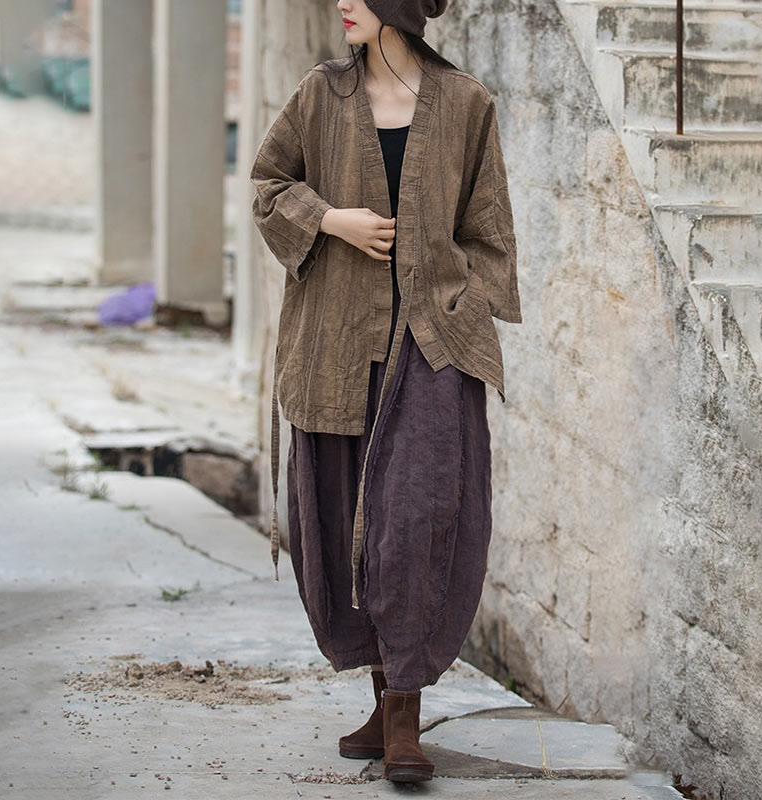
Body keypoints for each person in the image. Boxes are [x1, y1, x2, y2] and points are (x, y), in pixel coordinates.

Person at [250, 0, 522, 784]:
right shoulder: (319, 95)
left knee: (418, 520)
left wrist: (451, 300)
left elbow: (491, 233)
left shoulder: (467, 103)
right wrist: (331, 218)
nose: (343, 4)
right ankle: (381, 699)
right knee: (341, 524)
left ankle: (406, 712)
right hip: (335, 343)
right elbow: (269, 184)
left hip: (430, 351)